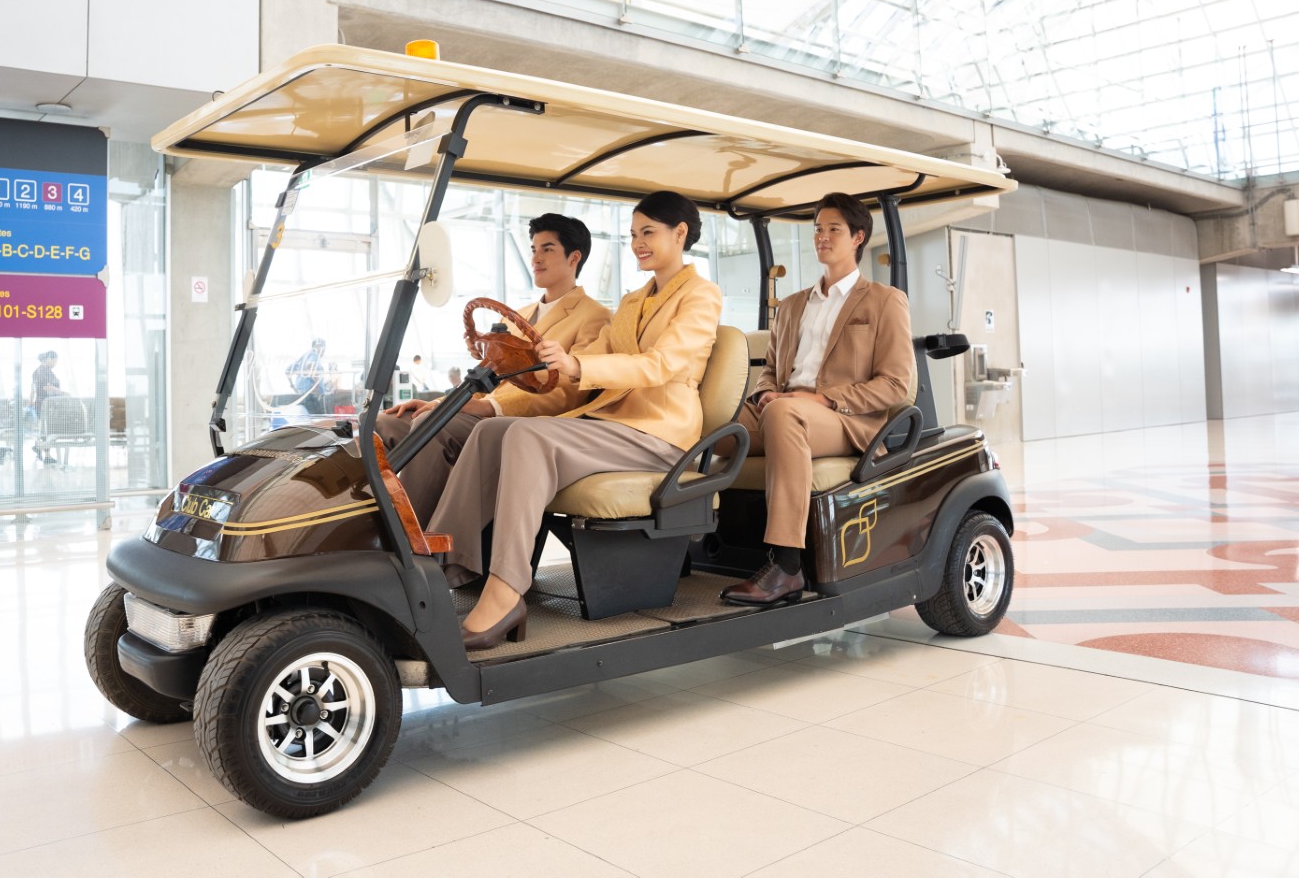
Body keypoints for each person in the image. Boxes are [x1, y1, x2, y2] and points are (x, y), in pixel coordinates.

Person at [428, 192, 722, 650]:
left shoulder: (702, 296)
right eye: (632, 235)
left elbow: (663, 364)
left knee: (527, 436)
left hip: (659, 433)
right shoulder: (632, 301)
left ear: (680, 233)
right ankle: (443, 559)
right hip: (612, 423)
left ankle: (506, 589)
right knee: (489, 432)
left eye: (648, 232)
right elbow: (597, 352)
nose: (638, 243)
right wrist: (556, 361)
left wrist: (579, 367)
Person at [720, 192, 913, 605]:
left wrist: (825, 400)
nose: (822, 237)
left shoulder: (883, 301)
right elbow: (770, 372)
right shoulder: (791, 306)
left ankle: (787, 565)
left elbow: (897, 385)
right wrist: (765, 392)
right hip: (785, 409)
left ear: (858, 237)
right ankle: (684, 540)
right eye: (818, 230)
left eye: (834, 230)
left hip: (844, 419)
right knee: (713, 421)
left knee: (786, 414)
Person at [376, 213, 610, 524]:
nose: (536, 258)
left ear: (574, 257)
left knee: (429, 427)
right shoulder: (520, 316)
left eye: (548, 249)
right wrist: (440, 403)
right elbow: (492, 378)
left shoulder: (594, 317)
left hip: (523, 421)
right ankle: (363, 527)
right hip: (486, 408)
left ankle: (410, 539)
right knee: (385, 423)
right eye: (533, 249)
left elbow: (571, 393)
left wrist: (490, 409)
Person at [31, 350, 66, 464]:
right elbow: (46, 387)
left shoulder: (38, 371)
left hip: (42, 403)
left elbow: (32, 388)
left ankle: (39, 447)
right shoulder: (43, 371)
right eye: (55, 360)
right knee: (47, 429)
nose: (56, 363)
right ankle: (46, 454)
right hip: (45, 405)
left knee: (43, 429)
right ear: (49, 359)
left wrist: (31, 402)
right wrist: (62, 392)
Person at [286, 338, 335, 415]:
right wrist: (316, 386)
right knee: (319, 419)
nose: (324, 351)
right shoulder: (314, 355)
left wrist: (292, 386)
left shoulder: (304, 356)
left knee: (311, 420)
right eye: (324, 348)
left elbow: (287, 370)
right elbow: (310, 365)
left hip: (301, 394)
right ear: (318, 347)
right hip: (311, 395)